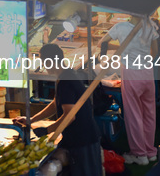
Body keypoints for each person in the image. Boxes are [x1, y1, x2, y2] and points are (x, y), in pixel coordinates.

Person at [13, 44, 102, 176]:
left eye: (44, 61)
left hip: (83, 140)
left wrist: (47, 130)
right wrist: (31, 120)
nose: (43, 65)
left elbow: (69, 117)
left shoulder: (66, 81)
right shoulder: (65, 75)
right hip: (82, 137)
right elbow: (56, 104)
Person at [98, 17, 159, 165]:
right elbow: (155, 52)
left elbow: (102, 42)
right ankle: (151, 153)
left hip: (131, 74)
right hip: (147, 73)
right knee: (149, 113)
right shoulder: (150, 25)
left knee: (134, 115)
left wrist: (119, 50)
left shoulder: (120, 27)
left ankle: (139, 155)